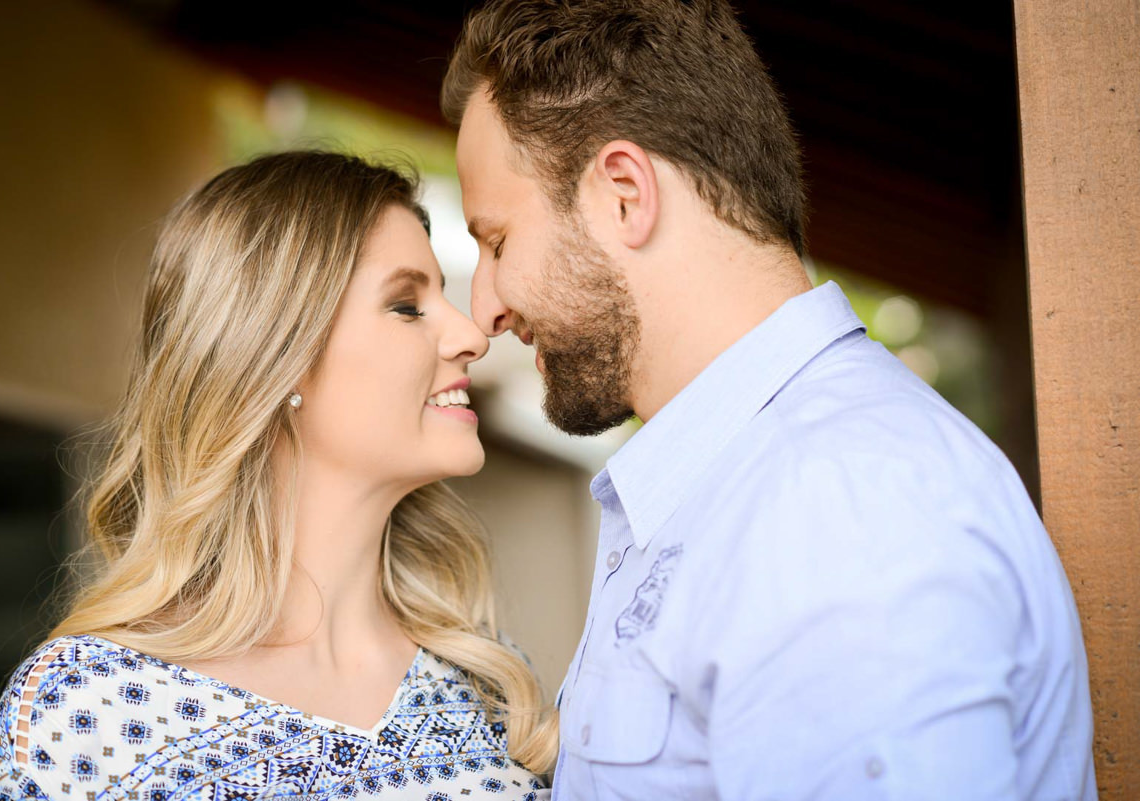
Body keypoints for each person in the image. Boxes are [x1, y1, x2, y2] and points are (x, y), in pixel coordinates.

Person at [442, 1, 1095, 799]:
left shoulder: (839, 505)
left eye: (498, 240)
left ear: (623, 193)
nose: (485, 308)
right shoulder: (762, 484)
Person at [0, 152, 554, 801]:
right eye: (407, 305)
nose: (470, 334)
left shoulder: (490, 681)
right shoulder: (87, 712)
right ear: (277, 353)